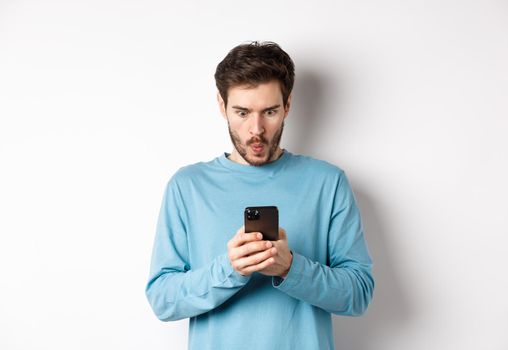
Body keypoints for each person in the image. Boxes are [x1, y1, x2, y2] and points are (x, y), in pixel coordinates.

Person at [145, 41, 374, 350]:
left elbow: (359, 294)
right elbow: (163, 300)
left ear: (288, 105)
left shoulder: (327, 183)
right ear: (221, 105)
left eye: (269, 111)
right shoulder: (188, 186)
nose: (256, 129)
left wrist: (291, 268)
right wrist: (230, 269)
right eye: (242, 112)